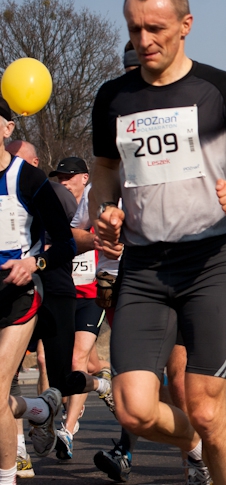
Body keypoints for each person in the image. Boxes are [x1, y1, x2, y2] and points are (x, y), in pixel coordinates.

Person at [90, 0, 226, 485]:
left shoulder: (220, 89)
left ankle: (213, 433)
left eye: (155, 28)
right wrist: (106, 208)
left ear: (185, 25)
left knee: (203, 406)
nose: (144, 39)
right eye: (135, 29)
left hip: (208, 265)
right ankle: (209, 436)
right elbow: (106, 170)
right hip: (144, 267)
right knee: (133, 410)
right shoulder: (113, 97)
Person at [1, 98, 76, 485]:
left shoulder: (27, 179)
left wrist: (33, 264)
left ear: (7, 129)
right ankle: (38, 409)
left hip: (20, 294)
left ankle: (7, 477)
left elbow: (65, 243)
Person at [48, 157, 109, 461]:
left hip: (92, 295)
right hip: (62, 294)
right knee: (77, 363)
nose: (63, 181)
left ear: (85, 178)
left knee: (77, 358)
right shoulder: (52, 207)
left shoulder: (96, 200)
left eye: (69, 176)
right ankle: (102, 382)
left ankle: (67, 430)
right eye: (59, 177)